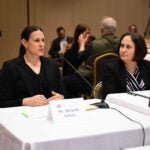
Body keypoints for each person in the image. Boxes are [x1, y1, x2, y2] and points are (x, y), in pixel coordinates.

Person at [0, 25, 64, 107]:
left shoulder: (52, 65)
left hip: (50, 116)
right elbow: (2, 102)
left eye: (43, 40)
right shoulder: (10, 67)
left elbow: (63, 93)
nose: (41, 44)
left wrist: (61, 97)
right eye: (37, 40)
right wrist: (24, 101)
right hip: (23, 117)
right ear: (24, 43)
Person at [63, 16, 119, 98]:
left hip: (91, 83)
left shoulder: (94, 45)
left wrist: (82, 44)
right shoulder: (121, 44)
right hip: (112, 82)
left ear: (102, 30)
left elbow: (81, 57)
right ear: (115, 30)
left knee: (63, 81)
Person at [102, 32, 150, 99]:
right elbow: (110, 97)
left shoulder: (148, 66)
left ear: (138, 49)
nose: (123, 50)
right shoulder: (111, 68)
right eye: (122, 46)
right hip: (122, 107)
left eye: (128, 47)